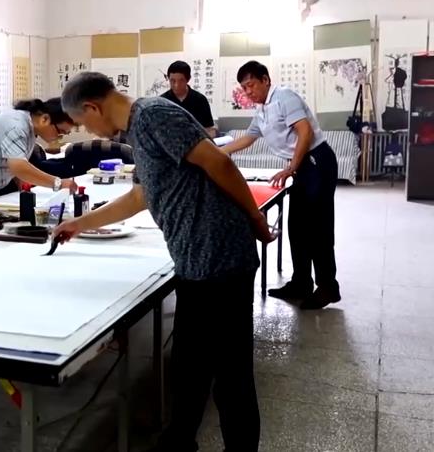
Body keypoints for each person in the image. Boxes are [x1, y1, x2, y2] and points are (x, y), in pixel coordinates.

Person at [55, 72, 275, 452]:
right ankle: (178, 441)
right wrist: (79, 223)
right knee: (190, 366)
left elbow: (219, 164)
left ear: (92, 107)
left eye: (82, 122)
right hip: (195, 261)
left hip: (218, 259)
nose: (86, 130)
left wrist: (254, 217)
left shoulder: (154, 115)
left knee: (230, 373)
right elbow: (139, 197)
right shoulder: (137, 131)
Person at [222, 60, 341, 310]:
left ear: (265, 80)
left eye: (251, 85)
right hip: (302, 167)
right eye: (244, 88)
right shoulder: (262, 109)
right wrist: (216, 152)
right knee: (297, 227)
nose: (248, 92)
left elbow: (305, 132)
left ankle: (328, 287)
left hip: (316, 161)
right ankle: (301, 283)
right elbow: (248, 138)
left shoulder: (284, 97)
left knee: (318, 228)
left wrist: (291, 169)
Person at [161, 60, 217, 137]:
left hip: (196, 142)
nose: (176, 85)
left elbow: (209, 129)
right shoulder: (162, 101)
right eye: (172, 81)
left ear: (188, 79)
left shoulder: (200, 100)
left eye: (181, 80)